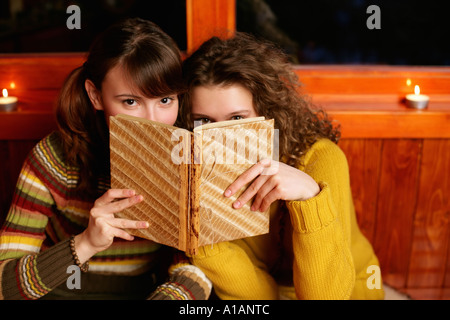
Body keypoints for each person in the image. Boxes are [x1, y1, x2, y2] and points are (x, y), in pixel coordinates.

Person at [0, 18, 211, 300]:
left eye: (165, 100)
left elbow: (197, 268)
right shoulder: (54, 158)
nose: (153, 122)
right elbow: (4, 286)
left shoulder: (189, 157)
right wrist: (86, 243)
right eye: (130, 102)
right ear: (96, 96)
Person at [179, 32, 384, 300]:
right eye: (205, 121)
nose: (222, 139)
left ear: (266, 111)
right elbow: (259, 298)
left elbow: (327, 296)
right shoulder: (195, 168)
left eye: (237, 117)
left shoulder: (322, 158)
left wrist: (311, 197)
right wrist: (198, 236)